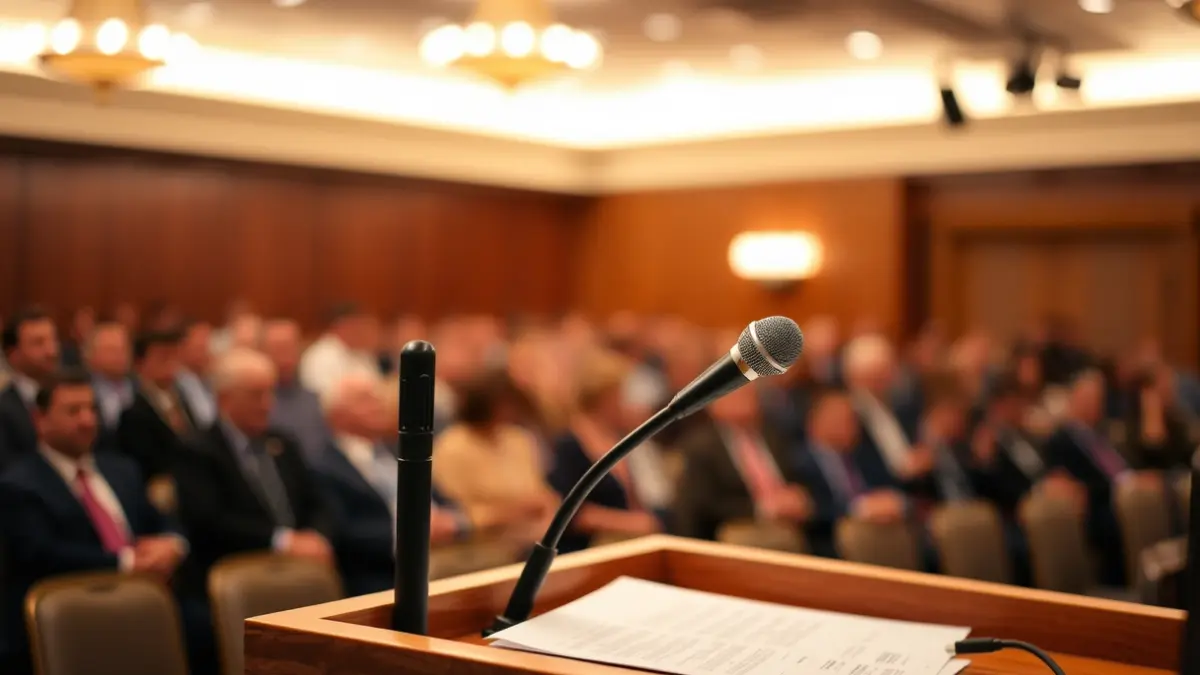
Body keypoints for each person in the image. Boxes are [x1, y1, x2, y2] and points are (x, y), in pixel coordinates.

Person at [0, 369, 187, 675]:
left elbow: (165, 521)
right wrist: (127, 562)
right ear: (40, 420)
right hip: (74, 614)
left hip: (147, 602)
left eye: (91, 409)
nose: (87, 420)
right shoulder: (19, 484)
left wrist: (172, 545)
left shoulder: (122, 469)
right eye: (73, 411)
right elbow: (41, 553)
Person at [317, 375, 465, 596]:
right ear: (337, 415)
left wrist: (453, 520)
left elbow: (444, 500)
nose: (378, 405)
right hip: (379, 579)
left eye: (377, 398)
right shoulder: (324, 466)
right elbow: (343, 533)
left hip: (440, 561)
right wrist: (412, 533)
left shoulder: (400, 451)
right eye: (365, 400)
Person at [1045, 370, 1164, 587]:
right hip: (1100, 507)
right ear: (1075, 398)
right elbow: (1076, 484)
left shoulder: (1103, 432)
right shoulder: (1060, 439)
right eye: (1091, 399)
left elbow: (1124, 465)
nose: (1097, 404)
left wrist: (1135, 479)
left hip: (1123, 495)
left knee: (1163, 493)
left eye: (1100, 398)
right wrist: (1127, 484)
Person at [549, 350, 664, 553]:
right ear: (603, 397)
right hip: (585, 549)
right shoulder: (569, 445)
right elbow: (569, 512)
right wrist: (630, 523)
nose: (625, 402)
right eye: (620, 395)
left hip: (623, 543)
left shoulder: (619, 437)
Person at [432, 372, 559, 549]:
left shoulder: (518, 438)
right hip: (477, 548)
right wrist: (512, 512)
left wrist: (548, 526)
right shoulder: (452, 447)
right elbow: (457, 514)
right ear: (484, 404)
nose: (510, 411)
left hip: (534, 540)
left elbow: (542, 493)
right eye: (504, 405)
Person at [674, 385, 811, 541]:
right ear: (714, 403)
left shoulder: (773, 436)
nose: (744, 401)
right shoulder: (700, 447)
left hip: (789, 520)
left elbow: (794, 477)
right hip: (738, 524)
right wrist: (764, 509)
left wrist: (798, 498)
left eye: (748, 394)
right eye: (735, 395)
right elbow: (703, 505)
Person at [793, 390, 907, 558]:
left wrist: (895, 501)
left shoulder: (863, 453)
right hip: (832, 540)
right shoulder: (800, 462)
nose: (850, 425)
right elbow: (813, 509)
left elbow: (890, 486)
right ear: (815, 422)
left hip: (880, 526)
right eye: (841, 418)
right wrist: (858, 509)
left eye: (852, 418)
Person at [263, 319, 331, 465]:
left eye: (290, 348)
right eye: (278, 350)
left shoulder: (315, 399)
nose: (285, 358)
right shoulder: (260, 406)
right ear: (263, 353)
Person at [0, 307, 60, 470]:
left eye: (53, 340)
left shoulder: (70, 395)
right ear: (13, 353)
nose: (51, 351)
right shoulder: (4, 409)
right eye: (38, 343)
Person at [299, 302, 380, 398]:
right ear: (341, 326)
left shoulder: (362, 354)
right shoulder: (320, 356)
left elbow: (378, 388)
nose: (362, 331)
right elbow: (324, 397)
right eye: (357, 326)